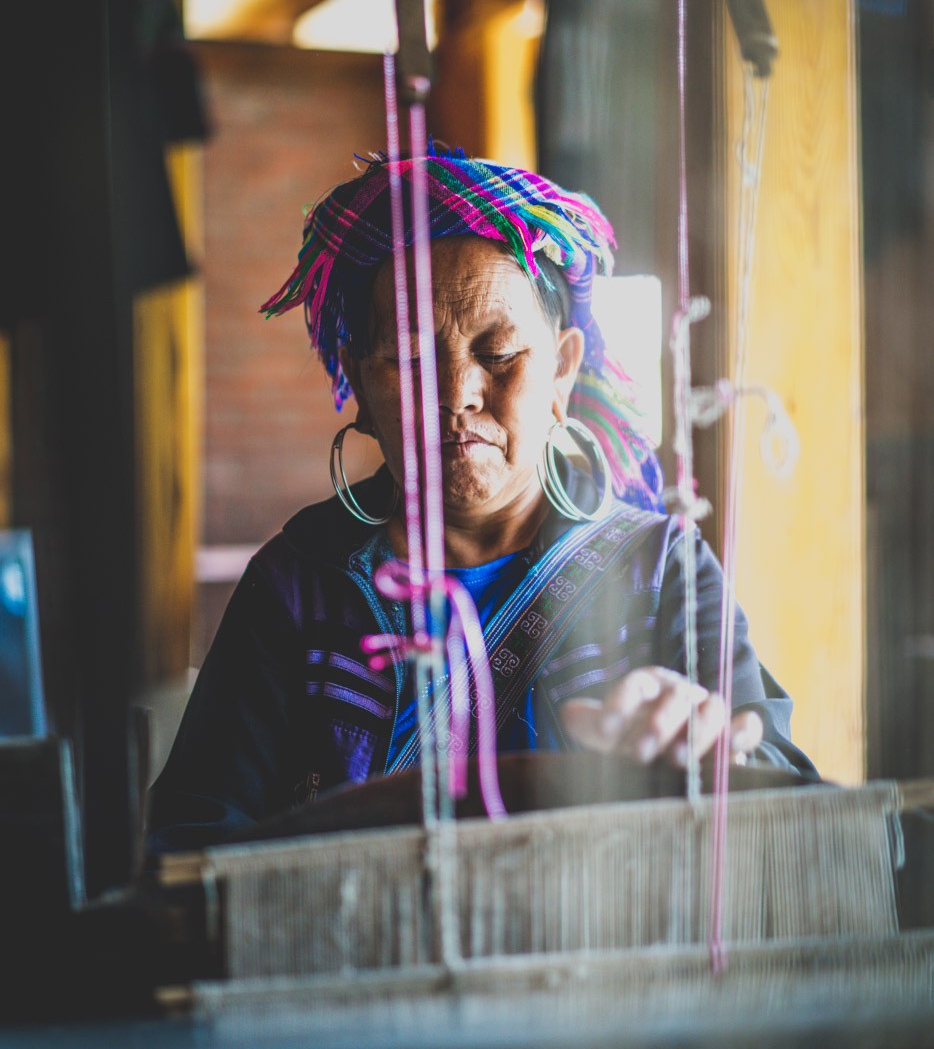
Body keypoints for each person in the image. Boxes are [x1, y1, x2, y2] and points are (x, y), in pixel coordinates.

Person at [146, 146, 818, 855]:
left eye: (500, 356)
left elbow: (788, 800)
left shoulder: (661, 570)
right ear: (361, 387)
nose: (458, 395)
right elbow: (193, 838)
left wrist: (721, 758)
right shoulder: (297, 585)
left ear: (561, 371)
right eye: (408, 361)